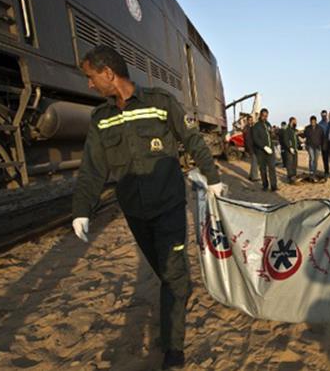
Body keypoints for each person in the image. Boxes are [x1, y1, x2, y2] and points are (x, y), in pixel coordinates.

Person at [70, 45, 223, 370]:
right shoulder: (101, 119)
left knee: (172, 275)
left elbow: (193, 139)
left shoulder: (160, 102)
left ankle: (173, 349)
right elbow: (92, 168)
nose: (90, 85)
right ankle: (180, 289)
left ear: (108, 74)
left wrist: (213, 176)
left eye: (91, 77)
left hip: (168, 206)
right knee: (165, 272)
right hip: (135, 212)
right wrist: (82, 208)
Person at [251, 108, 278, 191]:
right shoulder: (256, 126)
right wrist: (264, 147)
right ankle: (265, 185)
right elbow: (255, 139)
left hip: (270, 150)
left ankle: (274, 186)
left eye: (266, 116)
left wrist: (273, 133)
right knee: (263, 169)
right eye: (263, 116)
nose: (265, 117)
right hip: (261, 151)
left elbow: (271, 136)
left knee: (272, 168)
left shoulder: (268, 124)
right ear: (260, 115)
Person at [281, 117, 299, 183]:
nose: (296, 123)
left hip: (295, 149)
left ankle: (294, 175)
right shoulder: (287, 130)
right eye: (295, 122)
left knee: (295, 163)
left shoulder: (294, 130)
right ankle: (290, 177)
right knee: (289, 163)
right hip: (289, 150)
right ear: (291, 122)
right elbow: (286, 140)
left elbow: (296, 139)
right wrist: (290, 147)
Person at [242, 115, 259, 181]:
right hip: (251, 148)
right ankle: (254, 177)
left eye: (252, 120)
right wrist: (250, 149)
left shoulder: (249, 127)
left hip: (251, 147)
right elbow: (247, 140)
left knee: (253, 162)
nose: (251, 121)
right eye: (250, 120)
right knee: (254, 162)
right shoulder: (247, 128)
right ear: (247, 120)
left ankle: (251, 176)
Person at [319, 110, 330, 176]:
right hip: (324, 143)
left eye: (325, 115)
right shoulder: (320, 124)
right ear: (321, 115)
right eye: (323, 115)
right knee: (325, 158)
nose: (324, 116)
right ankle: (326, 171)